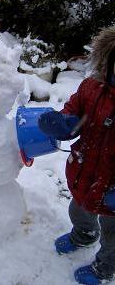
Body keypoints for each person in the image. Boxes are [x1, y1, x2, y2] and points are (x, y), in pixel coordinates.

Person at [38, 26, 115, 285]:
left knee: (113, 235)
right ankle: (84, 234)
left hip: (113, 188)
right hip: (86, 173)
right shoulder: (92, 88)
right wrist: (63, 122)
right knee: (79, 208)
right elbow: (75, 113)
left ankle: (105, 268)